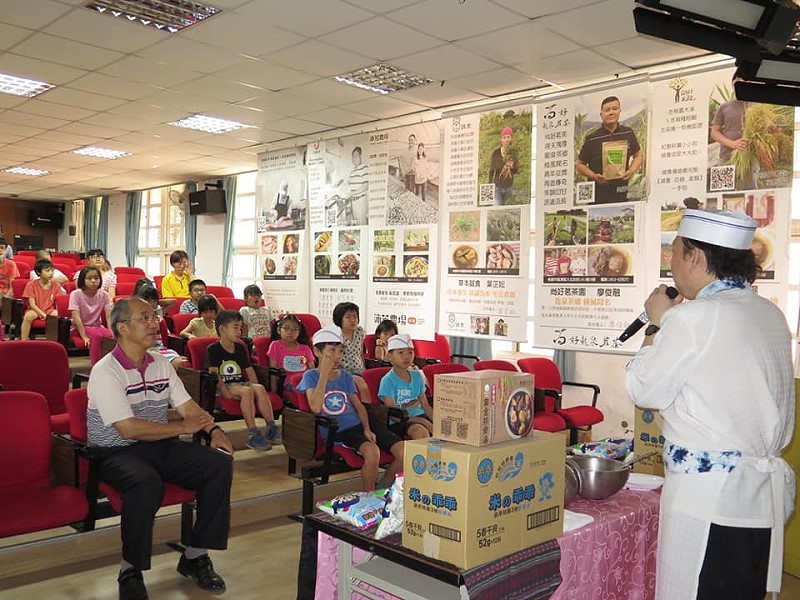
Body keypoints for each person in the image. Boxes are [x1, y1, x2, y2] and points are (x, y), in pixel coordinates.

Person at [625, 209, 794, 599]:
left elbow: (644, 389)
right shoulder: (769, 313)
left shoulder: (693, 319)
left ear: (696, 258)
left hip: (710, 499)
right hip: (759, 499)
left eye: (674, 255)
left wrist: (656, 324)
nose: (672, 266)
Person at [87, 297, 232, 600]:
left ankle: (194, 556)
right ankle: (130, 570)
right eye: (145, 317)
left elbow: (187, 406)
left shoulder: (161, 364)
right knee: (145, 482)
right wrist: (183, 428)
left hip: (158, 445)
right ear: (122, 328)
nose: (155, 323)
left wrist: (213, 429)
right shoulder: (106, 371)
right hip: (116, 452)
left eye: (155, 316)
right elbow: (127, 428)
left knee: (218, 464)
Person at [297, 326, 404, 491]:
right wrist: (324, 374)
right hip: (338, 431)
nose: (337, 356)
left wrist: (367, 428)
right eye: (332, 351)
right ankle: (369, 496)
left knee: (404, 451)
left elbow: (358, 406)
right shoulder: (310, 376)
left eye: (340, 351)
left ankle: (384, 484)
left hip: (358, 425)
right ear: (317, 352)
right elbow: (316, 408)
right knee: (371, 451)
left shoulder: (345, 376)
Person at [207, 310, 282, 452]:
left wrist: (255, 385)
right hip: (223, 385)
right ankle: (253, 433)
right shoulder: (214, 349)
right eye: (235, 327)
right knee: (247, 391)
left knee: (258, 388)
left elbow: (249, 370)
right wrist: (225, 393)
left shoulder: (240, 347)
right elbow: (214, 375)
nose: (239, 331)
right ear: (222, 329)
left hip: (239, 384)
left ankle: (271, 427)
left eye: (240, 328)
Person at [577, 96, 643, 204]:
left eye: (615, 109)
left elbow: (638, 155)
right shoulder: (592, 138)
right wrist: (594, 176)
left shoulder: (628, 133)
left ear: (620, 111)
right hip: (598, 194)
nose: (611, 112)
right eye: (607, 110)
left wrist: (631, 171)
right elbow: (580, 164)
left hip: (621, 191)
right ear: (601, 114)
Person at [378, 334, 433, 439]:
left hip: (420, 416)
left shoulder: (417, 376)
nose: (406, 356)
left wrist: (437, 423)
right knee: (420, 432)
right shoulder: (387, 381)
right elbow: (394, 415)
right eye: (400, 352)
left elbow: (425, 405)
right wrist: (424, 421)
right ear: (390, 356)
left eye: (410, 352)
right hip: (401, 421)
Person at [69, 265, 113, 365]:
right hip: (79, 328)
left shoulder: (104, 295)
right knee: (97, 336)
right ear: (82, 280)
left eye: (96, 278)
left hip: (97, 326)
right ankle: (95, 367)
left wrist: (111, 330)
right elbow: (76, 318)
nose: (93, 281)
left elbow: (109, 316)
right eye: (89, 278)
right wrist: (84, 336)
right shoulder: (76, 294)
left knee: (113, 335)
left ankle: (110, 366)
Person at [136, 286, 187, 371]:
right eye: (148, 301)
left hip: (158, 348)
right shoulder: (135, 317)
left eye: (154, 301)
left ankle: (167, 382)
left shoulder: (157, 317)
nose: (152, 304)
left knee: (178, 362)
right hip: (142, 349)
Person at [266, 314, 315, 392]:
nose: (290, 332)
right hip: (288, 382)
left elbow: (312, 370)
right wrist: (274, 392)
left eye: (295, 329)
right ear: (279, 330)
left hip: (305, 380)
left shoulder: (305, 348)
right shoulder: (275, 345)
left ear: (299, 332)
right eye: (286, 328)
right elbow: (273, 371)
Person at [20, 258, 62, 340]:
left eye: (52, 270)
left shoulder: (56, 285)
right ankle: (23, 341)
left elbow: (57, 303)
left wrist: (50, 314)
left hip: (49, 309)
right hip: (35, 309)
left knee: (56, 315)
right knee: (28, 316)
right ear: (39, 272)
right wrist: (43, 315)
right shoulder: (31, 284)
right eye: (47, 271)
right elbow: (32, 304)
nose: (51, 273)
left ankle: (52, 341)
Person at [710, 77, 747, 165]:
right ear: (733, 84)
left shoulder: (757, 107)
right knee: (724, 179)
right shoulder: (724, 107)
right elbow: (714, 132)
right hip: (726, 156)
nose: (741, 83)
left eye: (744, 81)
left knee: (749, 179)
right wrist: (732, 144)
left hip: (750, 157)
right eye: (738, 81)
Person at [488, 126, 518, 205]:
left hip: (509, 187)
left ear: (511, 138)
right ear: (501, 139)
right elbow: (491, 170)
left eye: (508, 137)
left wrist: (511, 167)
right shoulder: (496, 153)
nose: (506, 139)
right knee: (497, 207)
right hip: (497, 187)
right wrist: (489, 185)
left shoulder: (513, 153)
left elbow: (516, 171)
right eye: (504, 137)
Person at [347, 146, 369, 226]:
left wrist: (353, 193)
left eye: (356, 155)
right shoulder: (352, 172)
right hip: (353, 202)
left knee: (362, 224)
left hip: (360, 201)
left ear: (360, 156)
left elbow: (366, 186)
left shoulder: (364, 168)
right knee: (356, 223)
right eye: (353, 156)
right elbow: (350, 185)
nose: (354, 158)